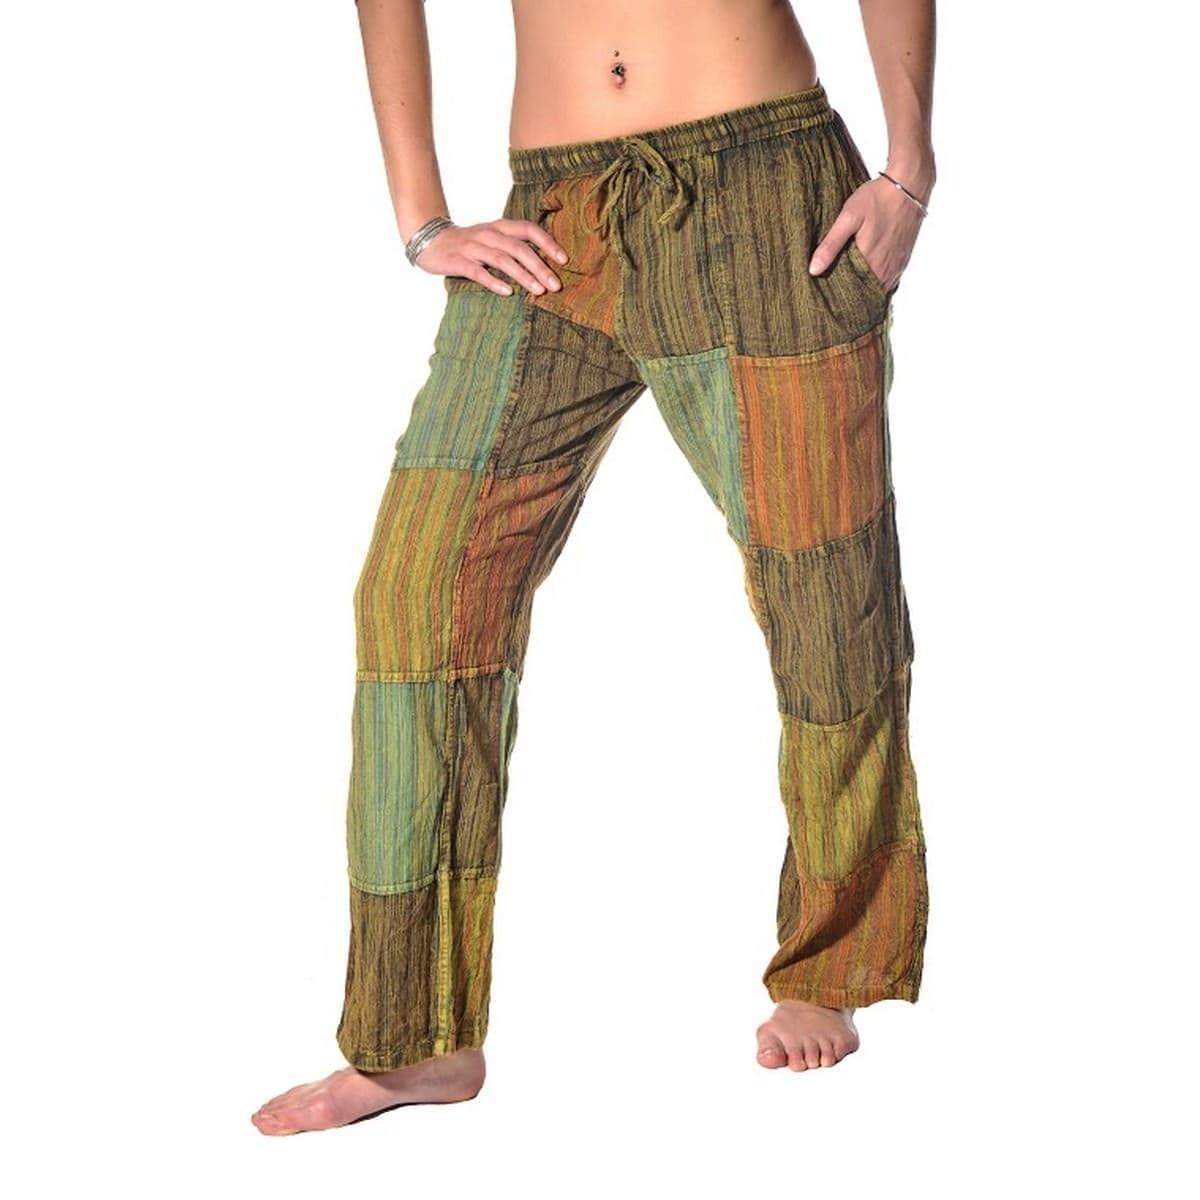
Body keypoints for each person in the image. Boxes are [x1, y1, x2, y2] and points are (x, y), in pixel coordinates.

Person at [253, 0, 935, 1136]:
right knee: (421, 593)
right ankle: (417, 1036)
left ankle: (836, 961)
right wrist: (422, 220)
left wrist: (909, 165)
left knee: (825, 592)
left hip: (764, 186)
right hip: (554, 218)